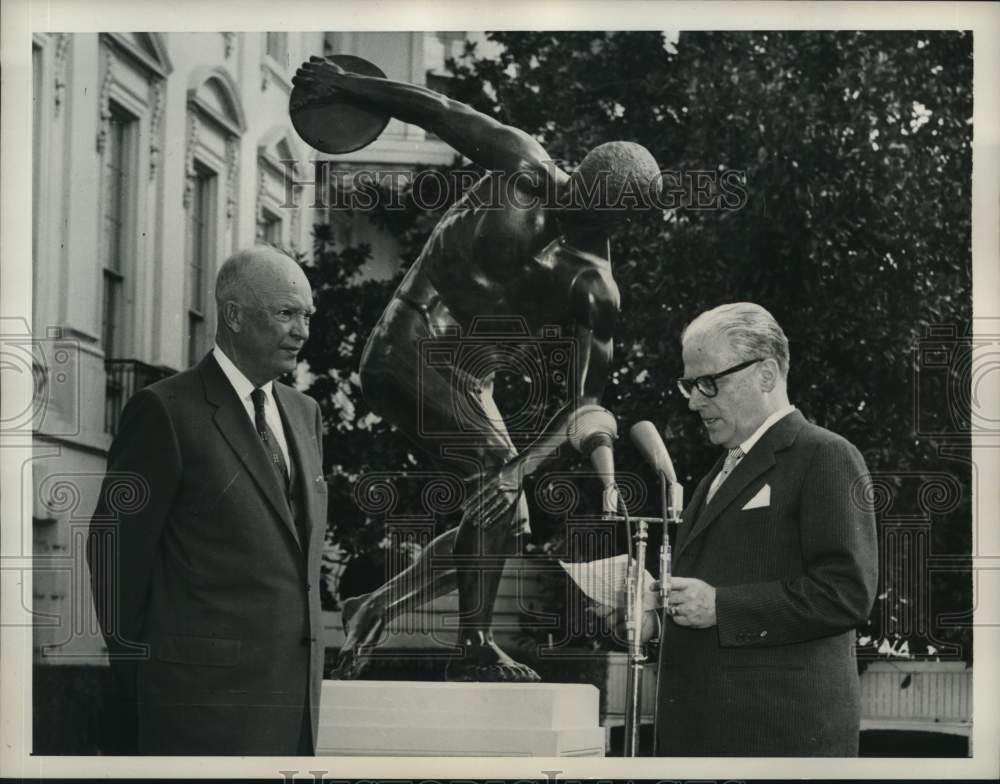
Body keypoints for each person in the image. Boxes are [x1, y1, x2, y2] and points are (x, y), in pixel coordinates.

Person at [292, 57, 662, 682]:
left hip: (469, 381)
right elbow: (438, 111)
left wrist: (522, 467)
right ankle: (474, 649)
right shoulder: (521, 163)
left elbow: (585, 407)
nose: (572, 205)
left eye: (593, 209)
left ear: (617, 219)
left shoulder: (593, 287)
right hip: (407, 342)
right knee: (495, 483)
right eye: (576, 191)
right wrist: (347, 86)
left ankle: (374, 605)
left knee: (504, 509)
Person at [86, 247, 327, 755]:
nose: (302, 330)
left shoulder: (305, 415)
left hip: (293, 711)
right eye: (285, 312)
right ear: (234, 314)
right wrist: (145, 690)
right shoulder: (164, 411)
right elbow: (114, 559)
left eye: (307, 315)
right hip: (195, 713)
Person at [653, 302, 878, 756]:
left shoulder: (825, 456)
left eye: (708, 382)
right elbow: (706, 598)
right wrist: (655, 614)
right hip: (707, 735)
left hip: (776, 739)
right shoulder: (718, 473)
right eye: (690, 385)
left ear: (767, 374)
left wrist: (722, 606)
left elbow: (847, 592)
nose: (696, 400)